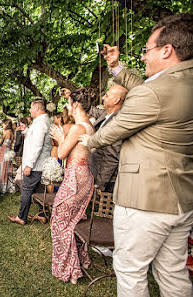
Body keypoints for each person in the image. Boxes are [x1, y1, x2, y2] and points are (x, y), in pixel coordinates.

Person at [80, 13, 193, 297]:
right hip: (180, 198)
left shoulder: (155, 94)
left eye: (146, 50)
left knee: (130, 270)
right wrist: (116, 67)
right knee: (172, 272)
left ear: (167, 50)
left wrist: (88, 140)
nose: (142, 57)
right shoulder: (181, 85)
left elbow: (114, 129)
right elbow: (147, 91)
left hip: (146, 200)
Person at [49, 88, 95, 284]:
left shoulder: (78, 128)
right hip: (83, 176)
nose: (67, 105)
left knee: (60, 220)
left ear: (76, 104)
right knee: (73, 220)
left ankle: (69, 269)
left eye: (68, 101)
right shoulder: (90, 125)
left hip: (75, 178)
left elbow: (61, 154)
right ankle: (82, 260)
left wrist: (60, 138)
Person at [7, 99, 52, 225]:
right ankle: (42, 215)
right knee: (40, 191)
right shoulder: (44, 121)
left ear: (37, 109)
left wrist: (29, 165)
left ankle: (21, 217)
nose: (30, 111)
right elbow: (36, 138)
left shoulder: (40, 123)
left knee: (26, 189)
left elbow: (37, 146)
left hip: (36, 164)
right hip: (42, 163)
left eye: (31, 108)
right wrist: (26, 130)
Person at [89, 84, 127, 193]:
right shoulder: (105, 114)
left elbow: (111, 156)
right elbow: (90, 109)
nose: (103, 98)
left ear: (116, 100)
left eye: (106, 95)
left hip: (108, 181)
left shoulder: (118, 121)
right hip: (97, 172)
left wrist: (100, 184)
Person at [0, 119, 15, 193]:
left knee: (1, 167)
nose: (2, 125)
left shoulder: (6, 132)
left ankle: (0, 187)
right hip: (9, 151)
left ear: (6, 124)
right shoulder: (12, 132)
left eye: (3, 124)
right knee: (7, 168)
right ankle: (7, 186)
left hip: (3, 151)